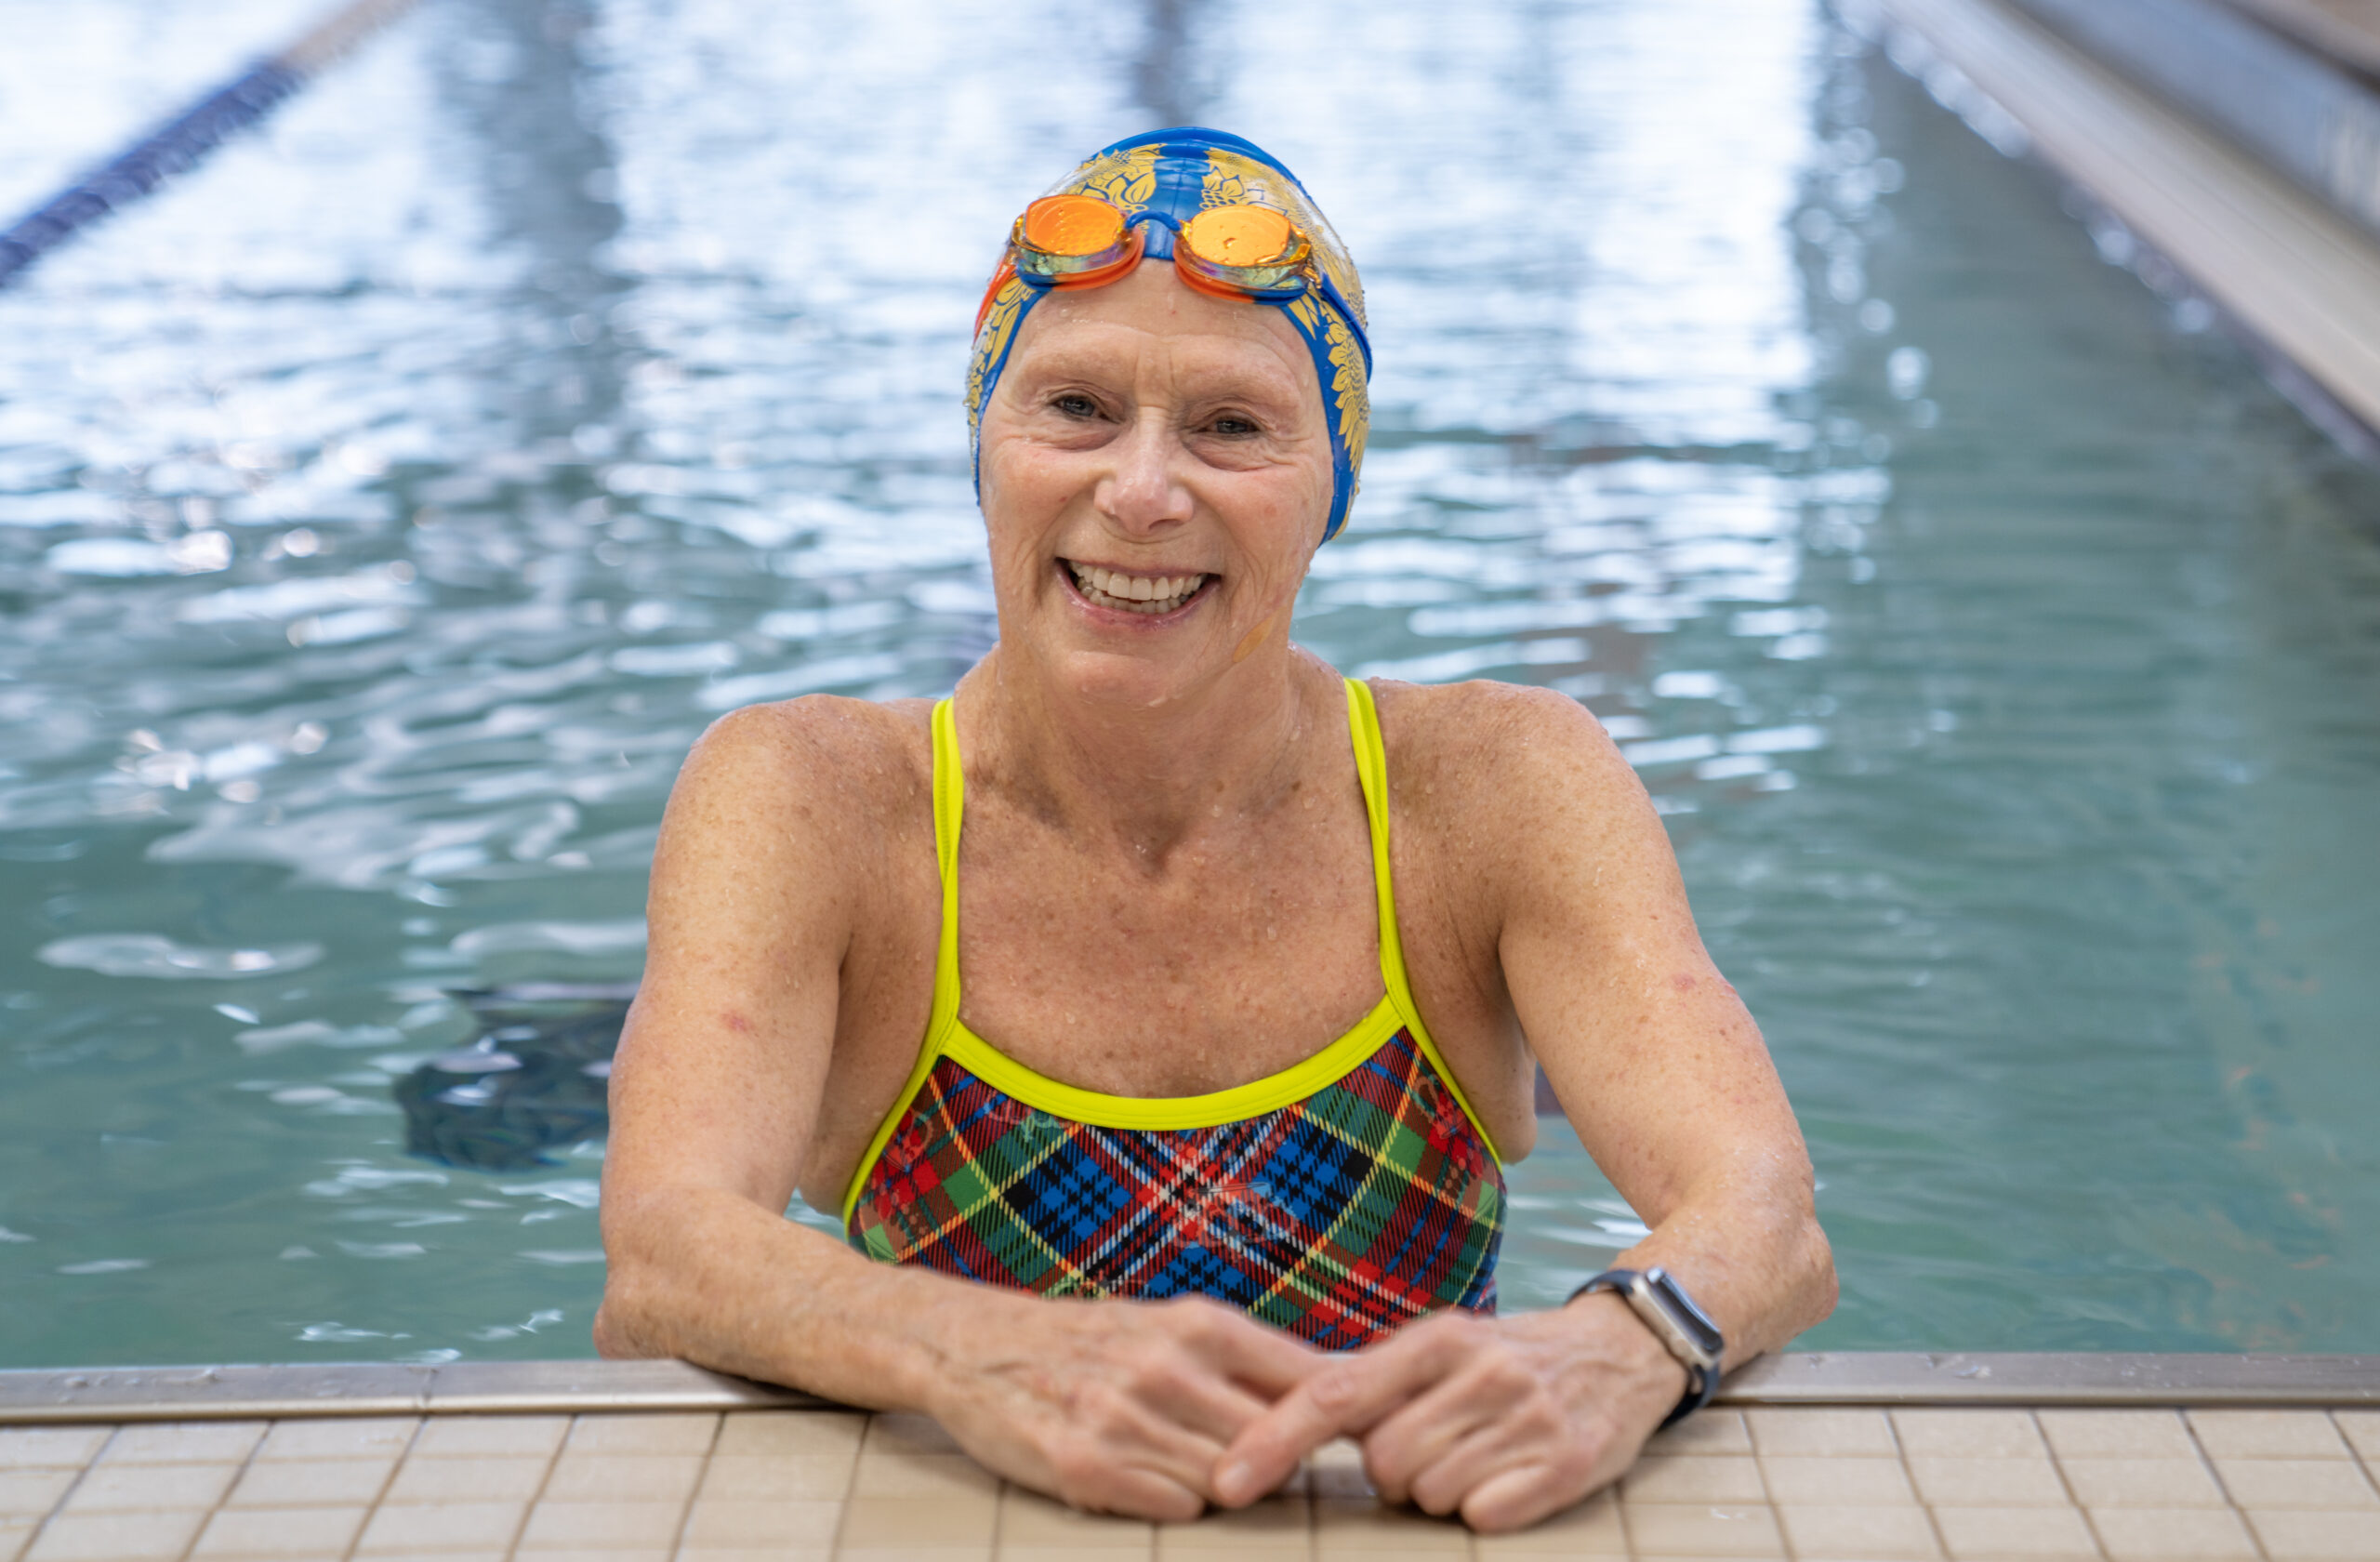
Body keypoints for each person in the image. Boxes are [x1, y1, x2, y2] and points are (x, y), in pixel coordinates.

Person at [595, 127, 1834, 1533]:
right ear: (986, 449)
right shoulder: (813, 800)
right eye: (1074, 406)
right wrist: (977, 1354)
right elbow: (667, 1256)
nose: (1139, 493)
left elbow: (1763, 1213)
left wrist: (1623, 1347)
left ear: (1332, 493)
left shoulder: (1493, 788)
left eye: (1232, 427)